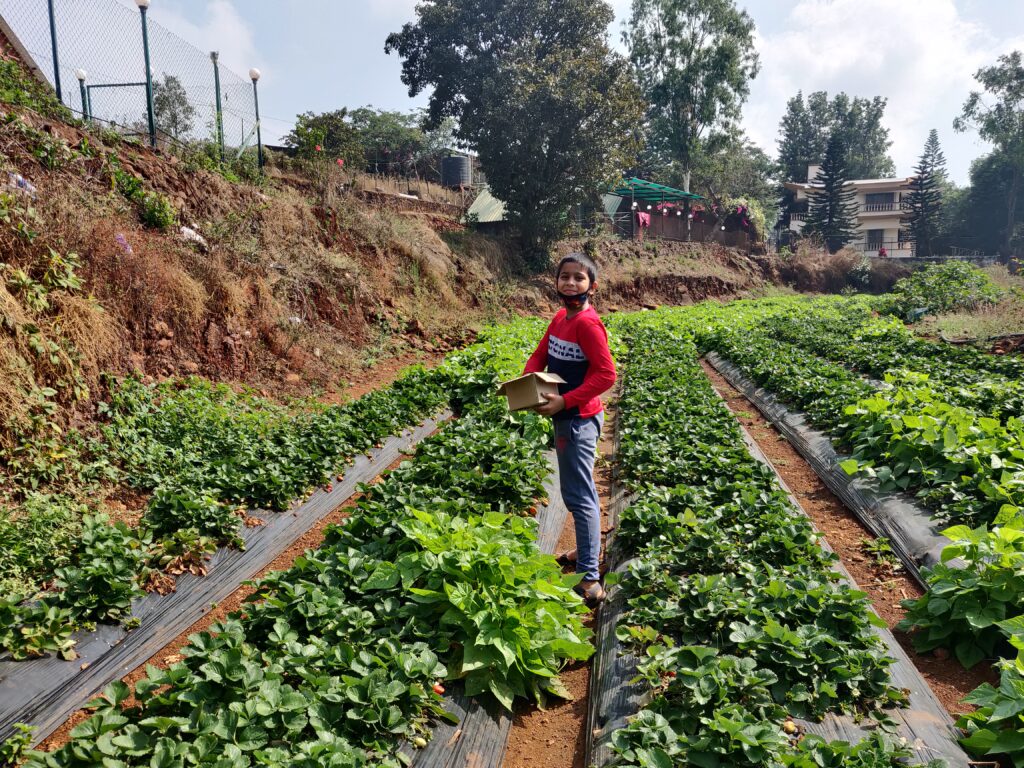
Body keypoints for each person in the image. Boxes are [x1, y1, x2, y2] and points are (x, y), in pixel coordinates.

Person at [523, 253, 616, 606]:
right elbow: (540, 353)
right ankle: (585, 552)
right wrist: (529, 380)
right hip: (567, 417)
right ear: (556, 281)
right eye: (565, 276)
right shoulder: (561, 317)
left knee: (579, 496)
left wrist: (566, 402)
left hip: (578, 419)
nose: (570, 283)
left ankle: (591, 578)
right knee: (577, 490)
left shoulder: (588, 324)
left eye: (579, 278)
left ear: (592, 286)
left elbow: (607, 375)